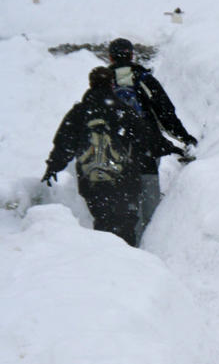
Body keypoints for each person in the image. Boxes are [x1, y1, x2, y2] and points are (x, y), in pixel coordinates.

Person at [41, 67, 176, 246]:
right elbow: (147, 138)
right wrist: (171, 148)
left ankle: (105, 257)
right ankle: (129, 260)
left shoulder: (80, 112)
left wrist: (53, 167)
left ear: (91, 83)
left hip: (91, 179)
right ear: (112, 85)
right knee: (126, 221)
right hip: (123, 178)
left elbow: (64, 144)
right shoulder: (122, 111)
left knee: (102, 220)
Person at [107, 37, 197, 241]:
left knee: (122, 202)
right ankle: (150, 248)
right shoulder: (143, 79)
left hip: (114, 153)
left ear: (110, 57)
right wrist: (185, 138)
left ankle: (120, 247)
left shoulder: (102, 83)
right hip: (145, 148)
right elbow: (166, 114)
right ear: (132, 55)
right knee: (149, 204)